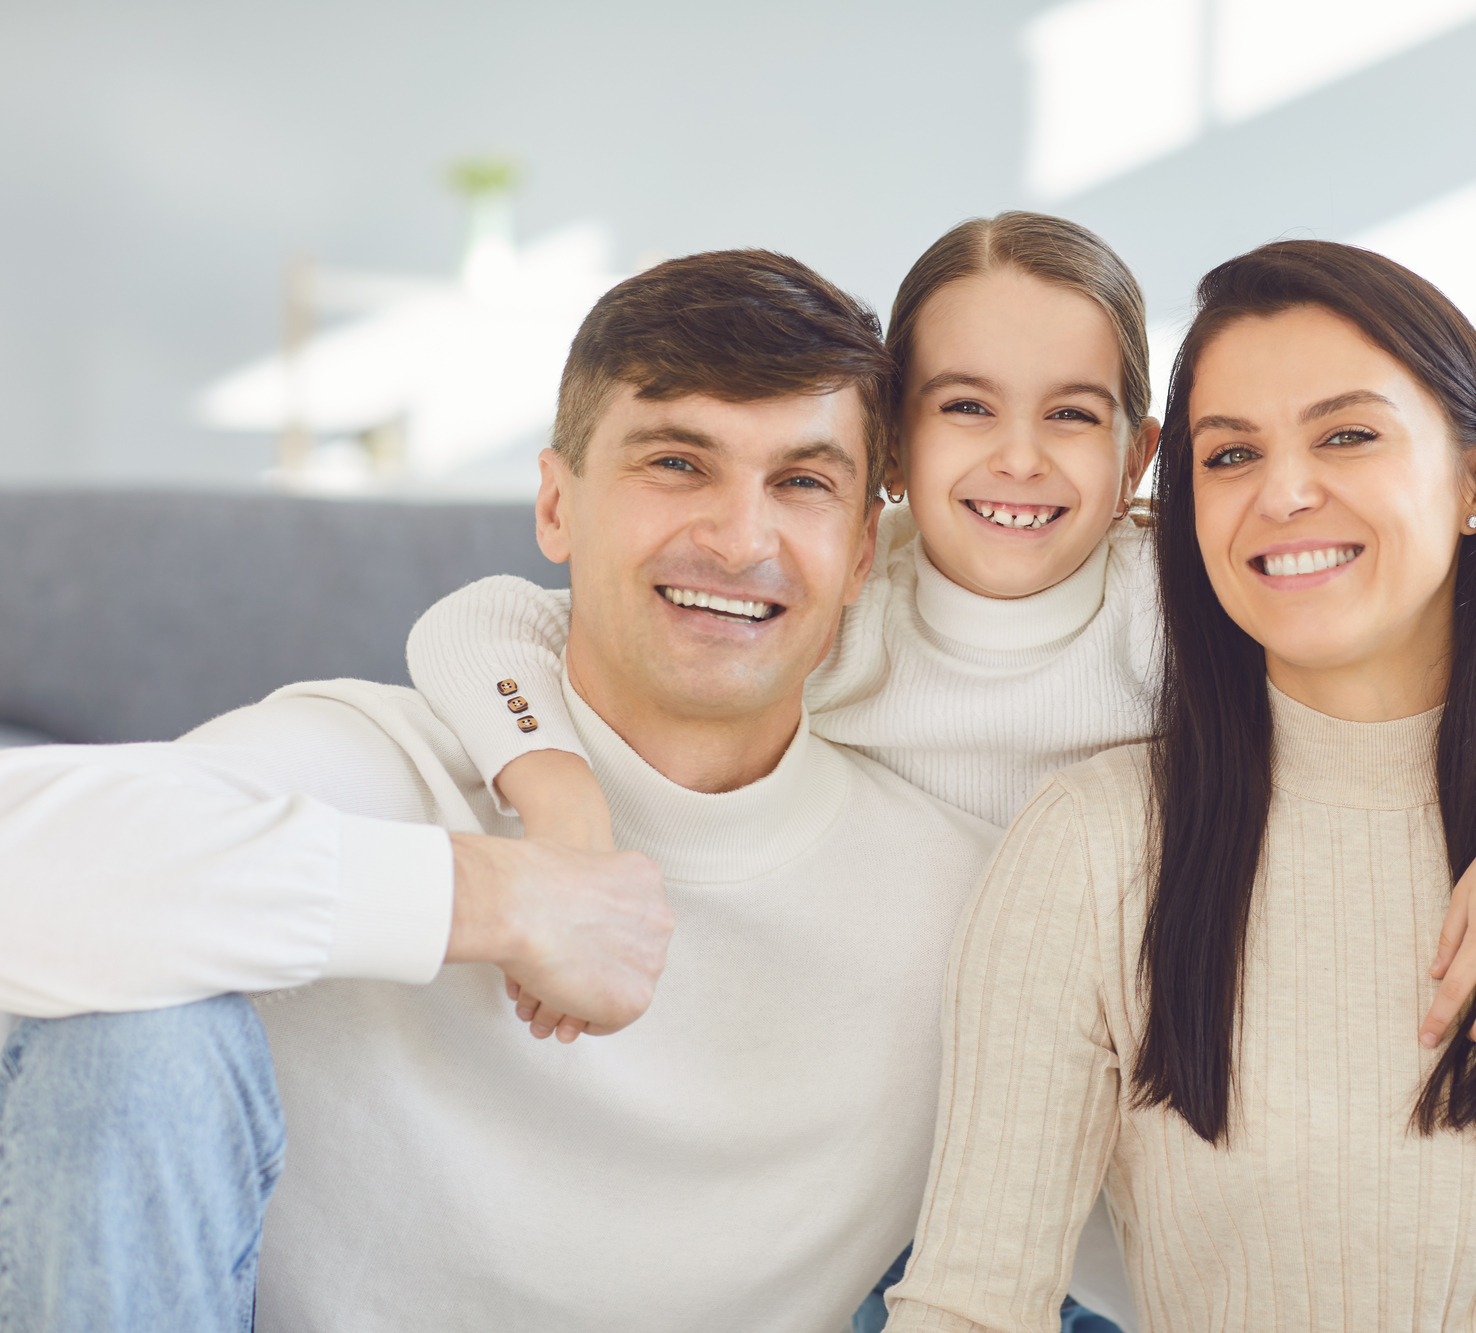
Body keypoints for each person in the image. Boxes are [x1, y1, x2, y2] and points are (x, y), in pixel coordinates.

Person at [403, 213, 1476, 1330]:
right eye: (966, 408)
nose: (1019, 460)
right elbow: (486, 621)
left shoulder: (1182, 614)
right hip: (874, 1192)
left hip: (1128, 1229)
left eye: (1071, 414)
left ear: (1141, 449)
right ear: (890, 442)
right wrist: (557, 803)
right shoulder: (838, 612)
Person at [0, 250, 1000, 1332]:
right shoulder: (381, 766)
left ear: (862, 551)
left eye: (801, 483)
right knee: (128, 1033)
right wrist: (494, 896)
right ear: (555, 506)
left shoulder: (961, 903)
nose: (738, 537)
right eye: (675, 462)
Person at [881, 241, 1476, 1331]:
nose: (1284, 492)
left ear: (1473, 481)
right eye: (1229, 456)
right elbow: (971, 1303)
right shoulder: (1091, 844)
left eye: (1346, 435)